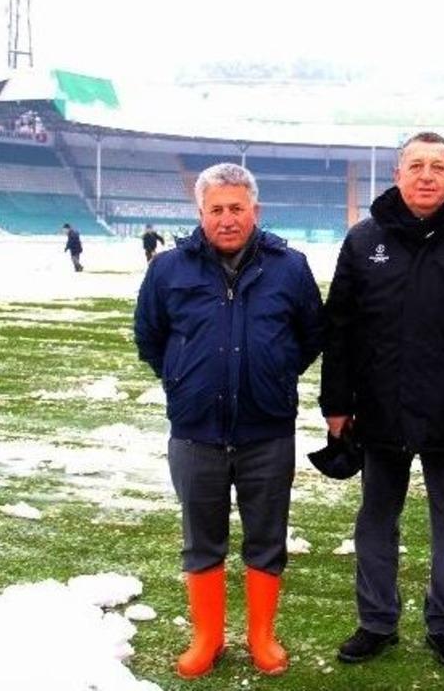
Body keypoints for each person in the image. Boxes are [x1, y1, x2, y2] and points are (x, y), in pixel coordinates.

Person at [320, 131, 444, 671]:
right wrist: (336, 402)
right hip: (379, 408)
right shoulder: (363, 241)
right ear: (397, 175)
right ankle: (376, 622)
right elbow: (338, 327)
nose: (427, 175)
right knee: (375, 519)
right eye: (416, 165)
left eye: (438, 166)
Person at [134, 163, 323, 679]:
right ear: (201, 213)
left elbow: (310, 336)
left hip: (267, 432)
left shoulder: (290, 267)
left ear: (254, 211)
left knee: (267, 536)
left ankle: (261, 636)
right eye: (216, 209)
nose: (227, 218)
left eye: (236, 208)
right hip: (196, 432)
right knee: (201, 538)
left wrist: (274, 374)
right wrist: (181, 378)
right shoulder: (168, 270)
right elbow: (150, 337)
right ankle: (208, 637)